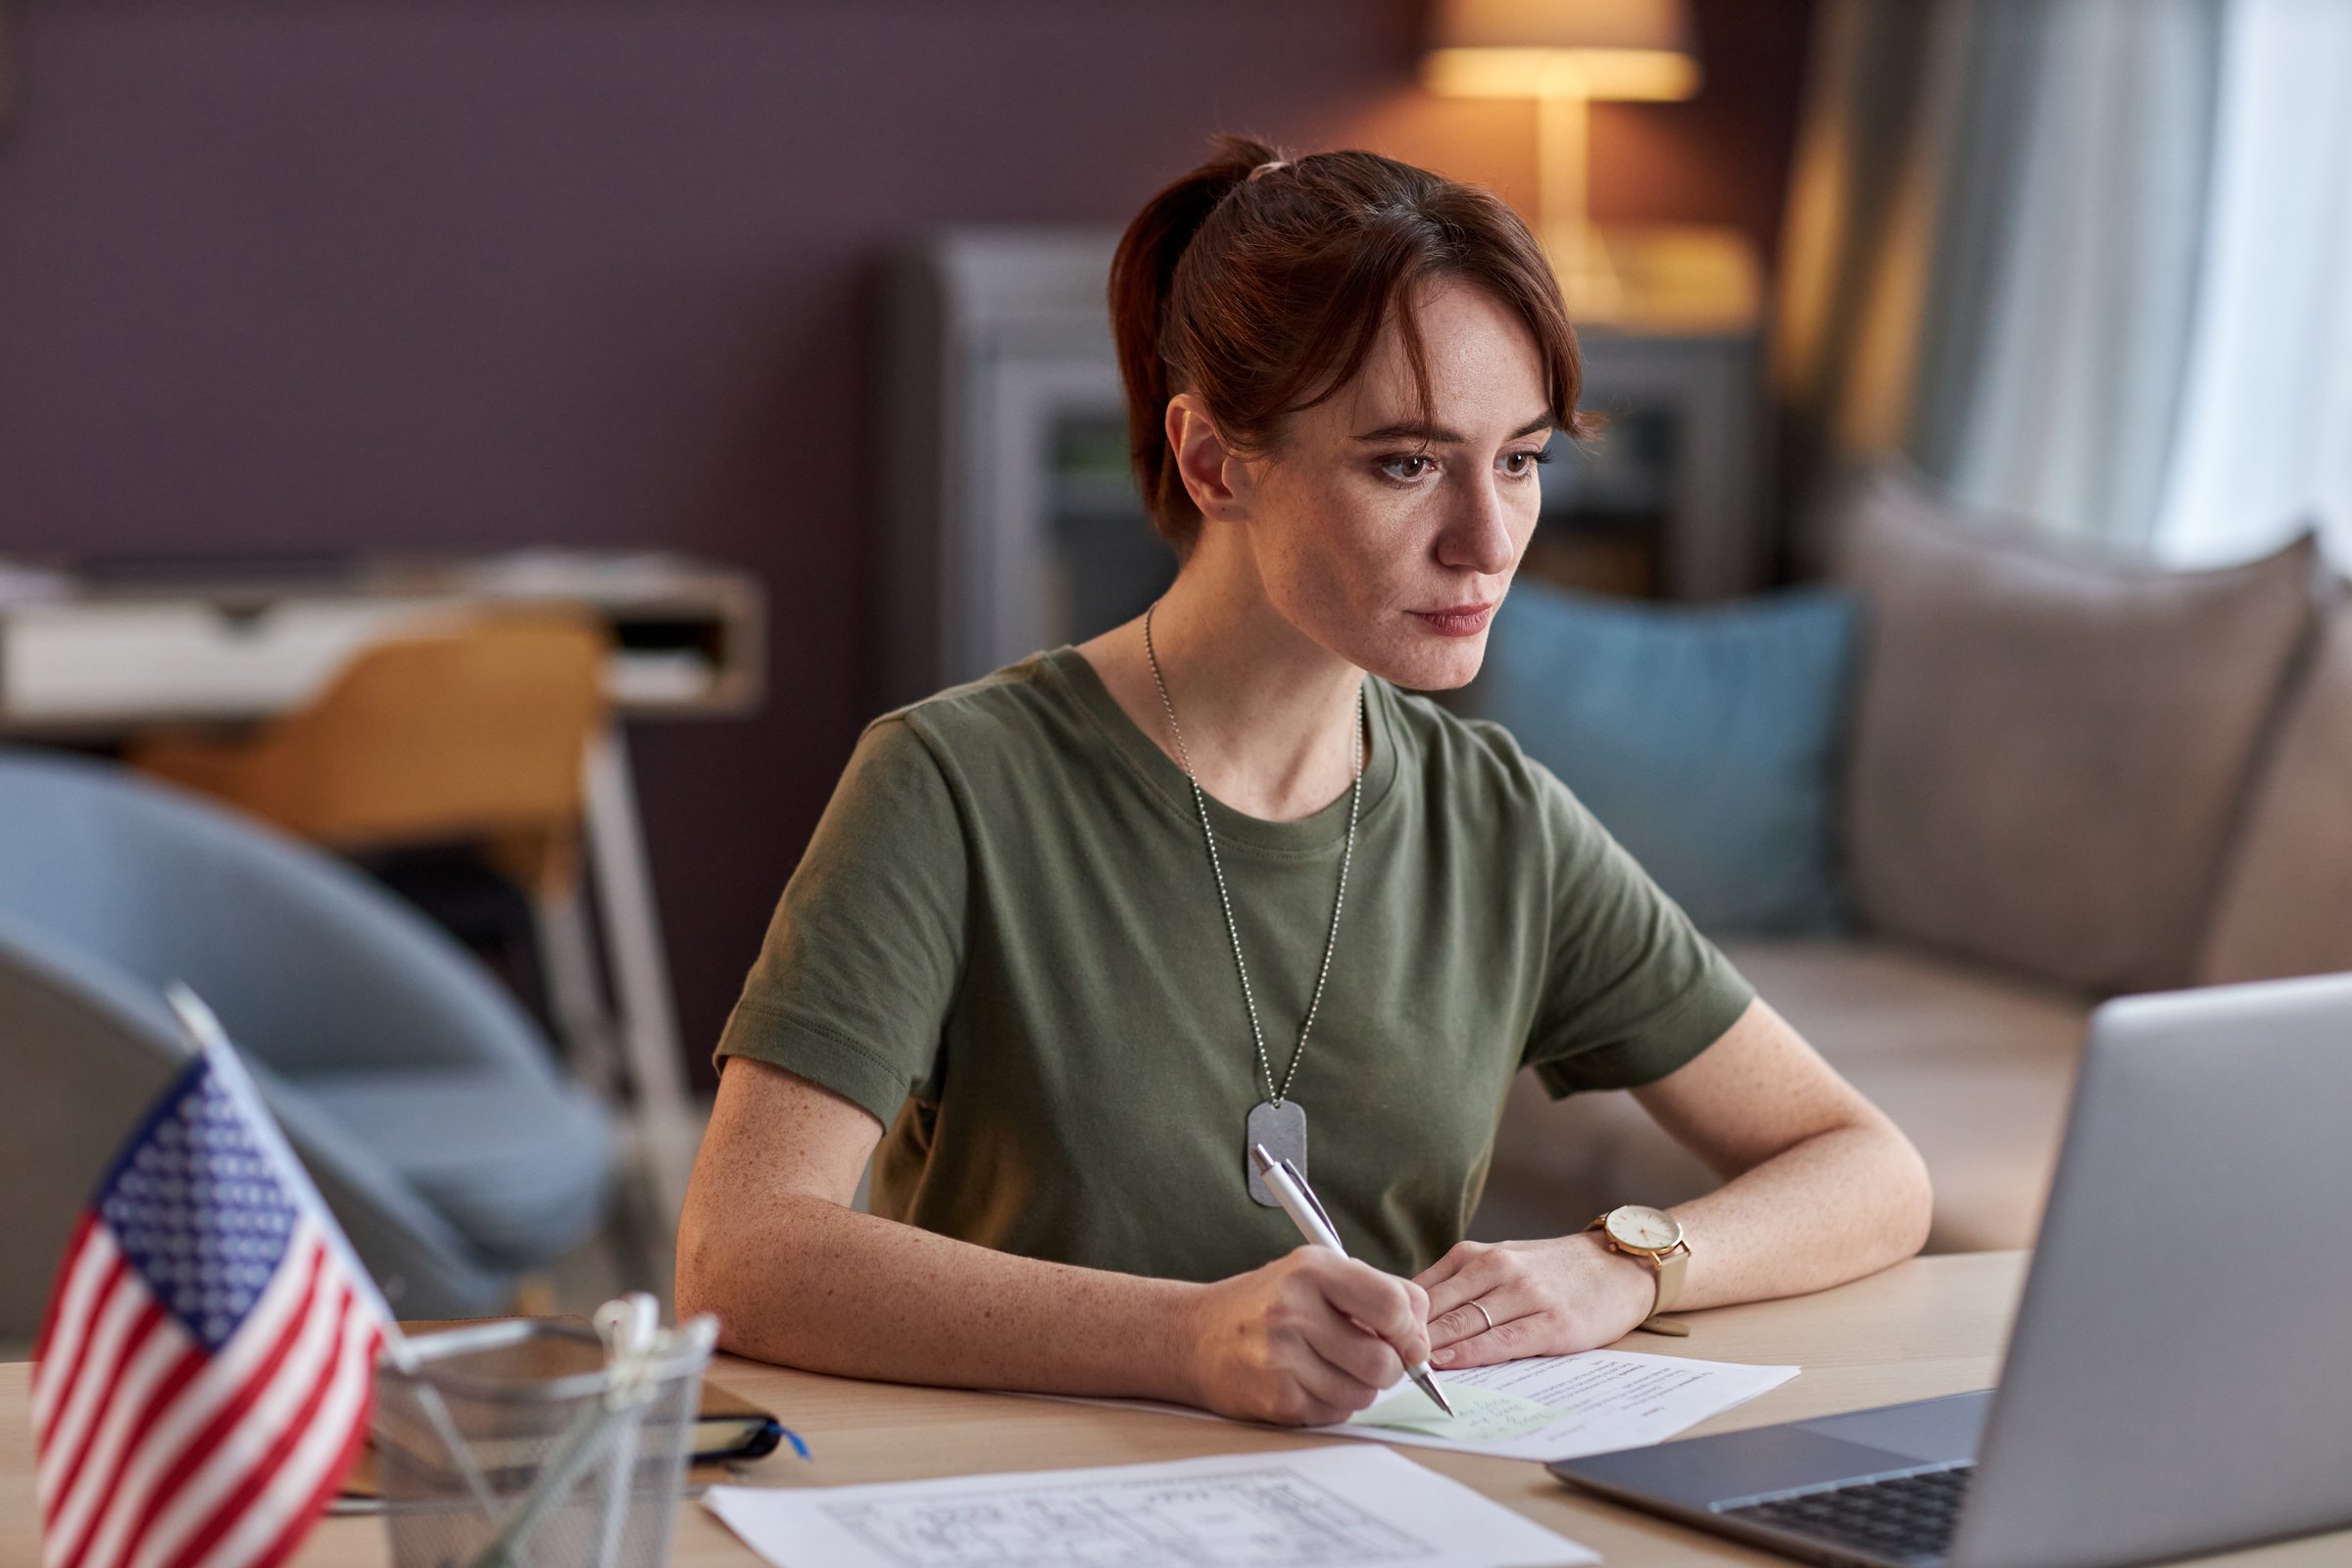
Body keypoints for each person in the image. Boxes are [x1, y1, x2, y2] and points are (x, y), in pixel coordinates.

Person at [676, 135, 1931, 1428]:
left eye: (1521, 459)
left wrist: (1621, 1263)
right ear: (1216, 461)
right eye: (1405, 462)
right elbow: (741, 1251)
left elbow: (1870, 1171)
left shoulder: (1498, 822)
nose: (1487, 542)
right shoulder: (953, 784)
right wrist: (1184, 1336)